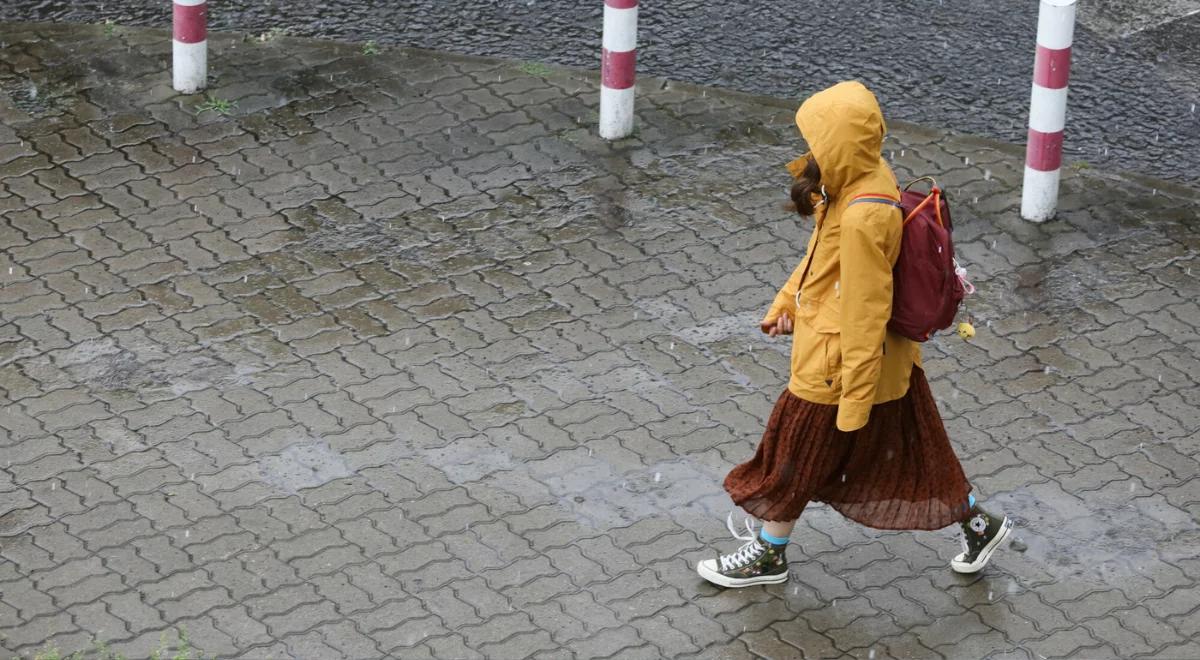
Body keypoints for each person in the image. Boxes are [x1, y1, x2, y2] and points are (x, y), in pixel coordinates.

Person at [696, 81, 1012, 588]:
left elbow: (866, 309)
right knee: (919, 452)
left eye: (817, 140)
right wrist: (787, 306)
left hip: (840, 366)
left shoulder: (865, 212)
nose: (808, 151)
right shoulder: (860, 179)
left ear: (840, 144)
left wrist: (855, 397)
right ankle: (980, 526)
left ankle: (768, 555)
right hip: (881, 360)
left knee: (791, 457)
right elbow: (820, 263)